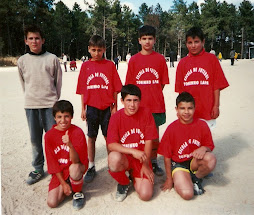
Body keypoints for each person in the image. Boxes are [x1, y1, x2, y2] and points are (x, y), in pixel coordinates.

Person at [17, 24, 62, 185]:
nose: (34, 41)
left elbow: (58, 83)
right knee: (35, 139)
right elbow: (24, 83)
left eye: (37, 38)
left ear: (43, 40)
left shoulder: (52, 59)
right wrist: (31, 98)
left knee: (52, 139)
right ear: (26, 41)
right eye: (31, 38)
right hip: (31, 105)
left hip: (50, 105)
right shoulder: (22, 61)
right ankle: (38, 168)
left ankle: (56, 168)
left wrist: (54, 101)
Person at [76, 35, 122, 183]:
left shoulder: (109, 65)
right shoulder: (85, 66)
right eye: (94, 50)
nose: (97, 53)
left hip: (107, 108)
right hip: (91, 108)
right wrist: (83, 108)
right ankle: (91, 165)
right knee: (91, 137)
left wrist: (115, 106)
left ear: (104, 50)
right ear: (89, 49)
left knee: (109, 138)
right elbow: (83, 89)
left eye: (99, 50)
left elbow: (115, 88)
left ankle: (111, 163)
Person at [125, 25, 169, 176]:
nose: (147, 42)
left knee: (154, 135)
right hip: (138, 106)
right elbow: (130, 85)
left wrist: (153, 93)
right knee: (139, 134)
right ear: (139, 40)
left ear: (155, 40)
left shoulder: (160, 59)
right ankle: (141, 160)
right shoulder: (134, 60)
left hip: (155, 104)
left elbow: (162, 83)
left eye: (150, 38)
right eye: (144, 39)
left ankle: (154, 160)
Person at [159, 92, 216, 199]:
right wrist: (169, 179)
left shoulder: (202, 125)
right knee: (187, 194)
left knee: (211, 159)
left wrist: (204, 148)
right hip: (179, 164)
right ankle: (182, 179)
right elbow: (166, 156)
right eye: (182, 108)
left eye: (190, 108)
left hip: (194, 162)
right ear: (176, 109)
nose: (186, 112)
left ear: (194, 108)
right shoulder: (172, 129)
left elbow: (210, 145)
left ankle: (195, 177)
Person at [107, 84, 158, 202]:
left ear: (140, 101)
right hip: (125, 158)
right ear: (122, 101)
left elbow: (149, 141)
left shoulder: (146, 113)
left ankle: (134, 176)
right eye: (128, 100)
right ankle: (124, 182)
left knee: (146, 195)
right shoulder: (116, 117)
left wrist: (145, 165)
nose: (132, 105)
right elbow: (111, 144)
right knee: (113, 158)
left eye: (135, 100)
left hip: (142, 159)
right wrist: (132, 151)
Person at [175, 27, 229, 129]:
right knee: (191, 140)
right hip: (189, 110)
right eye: (190, 42)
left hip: (207, 108)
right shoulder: (182, 63)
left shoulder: (211, 59)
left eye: (196, 42)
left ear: (203, 41)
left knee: (205, 140)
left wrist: (216, 106)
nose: (193, 45)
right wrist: (180, 109)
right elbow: (181, 91)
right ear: (186, 44)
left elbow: (216, 86)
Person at [45, 100, 88, 210]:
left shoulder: (77, 132)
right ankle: (70, 185)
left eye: (66, 116)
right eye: (59, 117)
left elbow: (77, 161)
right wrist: (63, 184)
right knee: (52, 203)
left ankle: (77, 192)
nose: (63, 120)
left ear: (72, 116)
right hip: (61, 171)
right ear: (54, 118)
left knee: (74, 169)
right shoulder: (49, 136)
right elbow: (53, 163)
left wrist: (70, 145)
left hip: (75, 167)